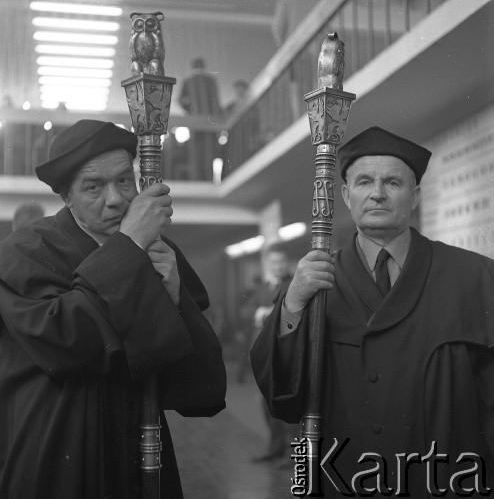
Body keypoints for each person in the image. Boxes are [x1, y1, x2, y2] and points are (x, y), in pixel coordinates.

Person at [251, 126, 494, 497]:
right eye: (364, 181)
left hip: (444, 477)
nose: (377, 193)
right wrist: (293, 303)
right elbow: (280, 394)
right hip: (346, 476)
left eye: (393, 183)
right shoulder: (313, 282)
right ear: (346, 195)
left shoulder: (473, 275)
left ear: (415, 196)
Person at [0, 119, 226, 498]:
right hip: (57, 450)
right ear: (66, 197)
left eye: (124, 180)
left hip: (142, 447)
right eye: (93, 187)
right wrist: (130, 244)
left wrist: (174, 298)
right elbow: (65, 341)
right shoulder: (24, 252)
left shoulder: (162, 254)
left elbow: (202, 389)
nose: (117, 199)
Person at [237, 246, 297, 463]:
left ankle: (294, 454)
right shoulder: (262, 287)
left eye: (282, 261)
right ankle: (275, 447)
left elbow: (295, 310)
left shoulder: (294, 284)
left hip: (285, 351)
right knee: (266, 401)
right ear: (268, 265)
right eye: (274, 262)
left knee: (287, 401)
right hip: (264, 353)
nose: (279, 266)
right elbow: (244, 312)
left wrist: (268, 312)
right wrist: (257, 310)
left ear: (287, 262)